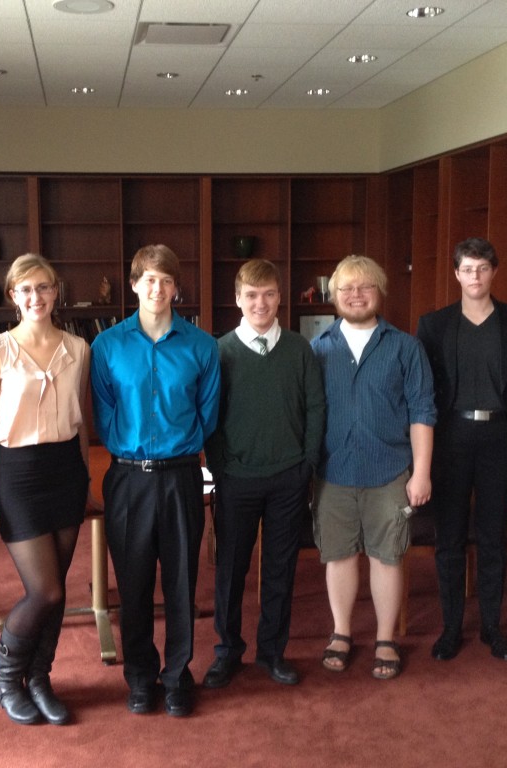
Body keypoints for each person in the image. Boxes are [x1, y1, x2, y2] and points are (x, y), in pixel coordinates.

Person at [90, 244, 220, 717]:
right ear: (133, 285)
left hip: (182, 475)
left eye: (166, 280)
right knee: (134, 582)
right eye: (148, 279)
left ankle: (177, 675)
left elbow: (208, 416)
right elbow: (104, 416)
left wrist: (175, 446)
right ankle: (141, 677)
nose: (157, 289)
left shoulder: (201, 345)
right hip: (127, 478)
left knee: (183, 582)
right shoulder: (107, 346)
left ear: (176, 288)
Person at [0, 254, 92, 726]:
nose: (35, 297)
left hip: (65, 471)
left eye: (43, 288)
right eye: (25, 290)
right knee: (43, 590)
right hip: (16, 473)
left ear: (55, 291)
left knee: (58, 591)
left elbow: (80, 423)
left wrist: (83, 480)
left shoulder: (79, 347)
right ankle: (7, 678)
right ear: (13, 296)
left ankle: (40, 678)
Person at [311, 255, 435, 680]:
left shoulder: (405, 347)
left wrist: (421, 473)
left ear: (379, 293)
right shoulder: (319, 349)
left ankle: (385, 637)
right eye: (346, 288)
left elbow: (422, 411)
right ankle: (341, 632)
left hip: (390, 471)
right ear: (334, 296)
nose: (355, 295)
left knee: (387, 557)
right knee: (339, 556)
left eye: (365, 287)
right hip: (333, 472)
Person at [202, 258, 325, 689]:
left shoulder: (299, 349)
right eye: (251, 295)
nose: (261, 303)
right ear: (238, 299)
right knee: (231, 571)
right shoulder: (219, 352)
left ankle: (272, 652)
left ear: (279, 298)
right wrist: (221, 466)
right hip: (236, 478)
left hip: (289, 477)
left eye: (269, 294)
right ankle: (227, 651)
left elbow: (314, 408)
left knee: (279, 569)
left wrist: (307, 462)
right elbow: (209, 416)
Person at [416, 237, 507, 662]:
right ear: (456, 274)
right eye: (467, 269)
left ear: (494, 272)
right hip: (450, 436)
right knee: (448, 536)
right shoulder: (433, 325)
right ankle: (451, 628)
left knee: (492, 536)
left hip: (500, 438)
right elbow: (426, 387)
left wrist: (498, 416)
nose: (475, 276)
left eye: (482, 268)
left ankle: (491, 627)